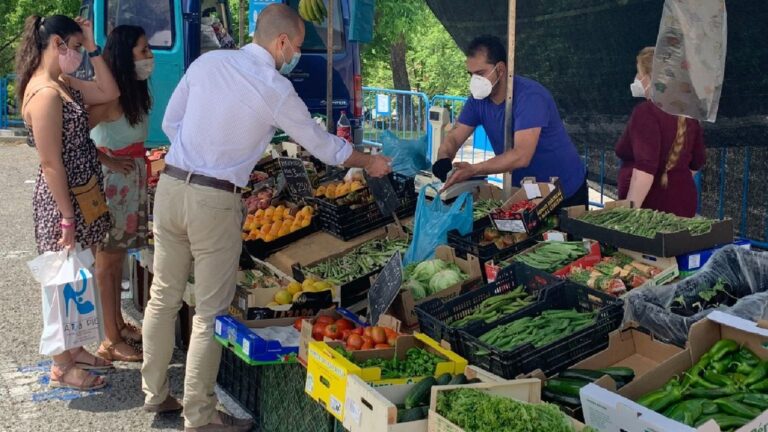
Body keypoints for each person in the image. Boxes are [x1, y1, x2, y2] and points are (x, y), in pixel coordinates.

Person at [140, 4, 391, 431]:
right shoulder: (274, 88)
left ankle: (155, 394)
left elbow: (170, 121)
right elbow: (322, 145)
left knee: (163, 295)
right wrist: (369, 161)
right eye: (295, 47)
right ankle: (198, 417)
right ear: (281, 42)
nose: (294, 56)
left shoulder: (208, 62)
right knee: (208, 312)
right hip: (214, 201)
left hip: (171, 187)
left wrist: (199, 152)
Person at [16, 14, 120, 390]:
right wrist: (66, 218)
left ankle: (73, 348)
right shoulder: (44, 93)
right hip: (62, 204)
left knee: (76, 276)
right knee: (60, 282)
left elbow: (109, 93)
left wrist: (92, 45)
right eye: (74, 48)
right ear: (57, 44)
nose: (79, 55)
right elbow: (50, 162)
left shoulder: (61, 83)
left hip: (80, 198)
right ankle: (61, 364)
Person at [435, 35, 588, 209]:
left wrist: (474, 169)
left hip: (564, 192)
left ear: (500, 69)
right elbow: (455, 136)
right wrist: (444, 159)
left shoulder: (530, 97)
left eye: (480, 73)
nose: (474, 81)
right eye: (470, 74)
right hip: (526, 192)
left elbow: (522, 155)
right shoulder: (477, 101)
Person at [89, 25, 154, 363]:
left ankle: (116, 324)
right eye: (143, 50)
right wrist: (107, 160)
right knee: (107, 262)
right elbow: (75, 132)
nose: (150, 57)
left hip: (129, 182)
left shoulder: (132, 92)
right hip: (113, 185)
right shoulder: (110, 95)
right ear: (126, 54)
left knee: (117, 261)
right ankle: (110, 339)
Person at [615, 47, 706, 217]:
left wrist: (627, 216)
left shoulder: (646, 113)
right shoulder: (688, 112)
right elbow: (697, 160)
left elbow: (644, 172)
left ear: (650, 78)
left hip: (652, 209)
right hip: (683, 202)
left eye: (639, 73)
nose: (637, 79)